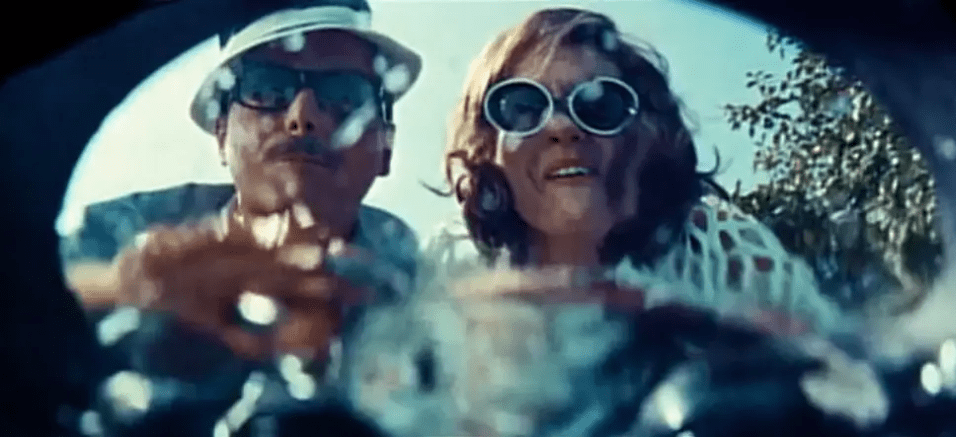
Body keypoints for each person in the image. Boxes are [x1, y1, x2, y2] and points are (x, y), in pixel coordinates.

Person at [345, 8, 886, 437]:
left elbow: (851, 387)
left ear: (643, 137)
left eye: (599, 104)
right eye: (522, 107)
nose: (562, 127)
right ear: (489, 150)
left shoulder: (726, 252)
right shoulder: (446, 268)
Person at [59, 0, 422, 372]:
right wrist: (124, 289)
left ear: (386, 147)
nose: (302, 117)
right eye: (266, 89)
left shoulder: (417, 280)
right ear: (221, 133)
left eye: (346, 95)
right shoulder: (122, 230)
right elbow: (32, 295)